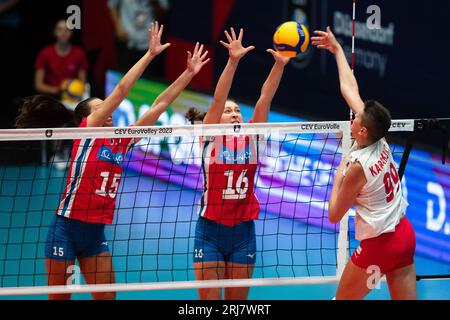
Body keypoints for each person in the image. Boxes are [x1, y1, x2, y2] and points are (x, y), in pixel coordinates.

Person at [16, 22, 210, 300]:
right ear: (87, 118)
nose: (107, 112)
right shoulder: (88, 133)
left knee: (108, 297)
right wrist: (150, 54)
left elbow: (159, 106)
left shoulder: (122, 140)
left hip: (96, 234)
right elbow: (119, 91)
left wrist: (188, 74)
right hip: (66, 230)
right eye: (100, 108)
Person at [312, 27, 417, 300]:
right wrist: (336, 49)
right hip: (404, 234)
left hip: (380, 245)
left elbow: (335, 214)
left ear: (361, 132)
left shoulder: (358, 166)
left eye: (356, 120)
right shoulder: (378, 134)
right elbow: (349, 88)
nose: (352, 119)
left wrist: (339, 172)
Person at [186, 27, 290, 300]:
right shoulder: (210, 138)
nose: (233, 114)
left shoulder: (254, 138)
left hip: (244, 231)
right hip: (209, 230)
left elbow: (264, 98)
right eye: (228, 112)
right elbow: (219, 98)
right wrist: (232, 61)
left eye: (237, 111)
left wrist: (279, 66)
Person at [109, 0, 169, 78]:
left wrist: (155, 2)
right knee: (123, 77)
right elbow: (111, 5)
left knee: (147, 79)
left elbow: (164, 12)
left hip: (148, 43)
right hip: (126, 41)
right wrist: (118, 27)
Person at [34, 19, 89, 99]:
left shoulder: (80, 54)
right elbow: (38, 85)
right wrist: (59, 91)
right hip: (51, 98)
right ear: (54, 32)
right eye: (60, 29)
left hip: (73, 98)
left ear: (71, 32)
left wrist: (73, 91)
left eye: (67, 29)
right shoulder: (45, 53)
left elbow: (83, 83)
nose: (63, 33)